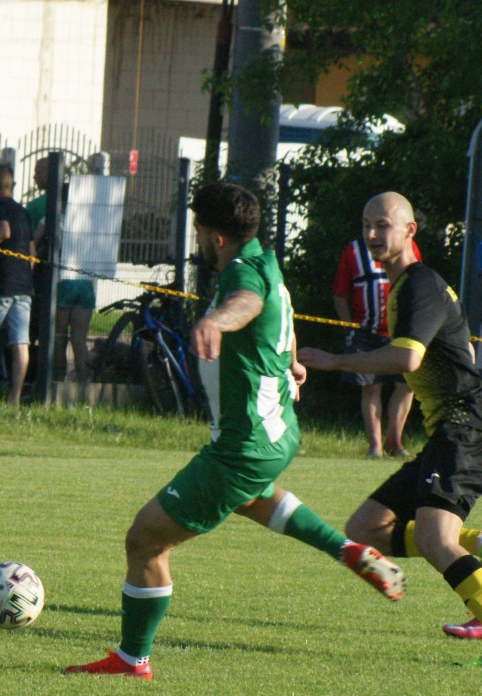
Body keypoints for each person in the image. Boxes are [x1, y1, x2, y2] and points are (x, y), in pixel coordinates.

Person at [65, 183, 404, 680]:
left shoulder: (241, 274)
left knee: (144, 541)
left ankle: (132, 659)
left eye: (199, 230)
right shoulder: (264, 260)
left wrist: (217, 322)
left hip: (242, 446)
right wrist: (290, 360)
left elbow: (247, 302)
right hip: (275, 433)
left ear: (215, 235)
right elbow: (274, 308)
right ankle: (347, 549)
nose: (198, 239)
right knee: (248, 498)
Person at [299, 192, 482, 641]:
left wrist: (332, 361)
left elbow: (407, 359)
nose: (372, 235)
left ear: (408, 231)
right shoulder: (405, 286)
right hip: (451, 428)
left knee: (435, 539)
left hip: (465, 427)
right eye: (366, 226)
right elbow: (464, 350)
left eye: (383, 225)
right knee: (367, 528)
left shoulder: (419, 283)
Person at [332, 235, 418, 457]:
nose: (374, 231)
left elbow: (418, 284)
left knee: (406, 385)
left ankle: (394, 442)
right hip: (365, 332)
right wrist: (349, 329)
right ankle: (375, 448)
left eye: (381, 225)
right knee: (370, 387)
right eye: (369, 224)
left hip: (400, 331)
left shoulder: (408, 245)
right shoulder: (352, 251)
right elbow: (339, 294)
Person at [27, 157, 95, 381]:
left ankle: (56, 382)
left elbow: (33, 244)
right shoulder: (86, 222)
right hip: (85, 286)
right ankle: (85, 385)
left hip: (63, 283)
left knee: (58, 338)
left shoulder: (51, 219)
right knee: (79, 340)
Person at [0, 163, 35, 405]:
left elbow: (2, 232)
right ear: (11, 185)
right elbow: (31, 254)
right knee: (20, 342)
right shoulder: (23, 212)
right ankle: (15, 398)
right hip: (23, 287)